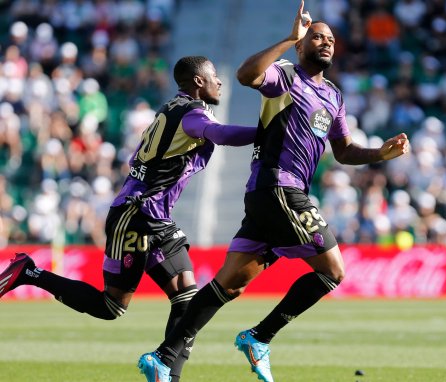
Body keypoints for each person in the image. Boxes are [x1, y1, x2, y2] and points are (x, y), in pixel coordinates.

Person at [136, 2, 411, 382]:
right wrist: (287, 38)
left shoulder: (333, 96)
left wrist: (380, 153)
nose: (326, 42)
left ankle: (164, 358)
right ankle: (259, 337)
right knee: (332, 272)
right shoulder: (286, 77)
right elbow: (248, 75)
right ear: (301, 46)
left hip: (268, 196)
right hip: (280, 187)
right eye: (317, 36)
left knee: (227, 285)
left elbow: (344, 151)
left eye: (331, 39)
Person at [0, 56, 257, 382]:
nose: (219, 82)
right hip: (136, 214)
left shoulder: (171, 108)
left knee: (187, 297)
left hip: (154, 214)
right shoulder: (193, 114)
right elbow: (220, 134)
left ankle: (167, 373)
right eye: (213, 76)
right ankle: (30, 272)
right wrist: (265, 131)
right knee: (112, 307)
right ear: (197, 81)